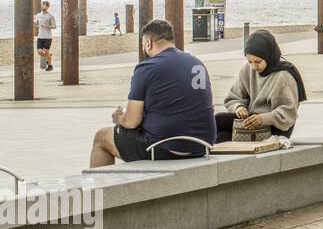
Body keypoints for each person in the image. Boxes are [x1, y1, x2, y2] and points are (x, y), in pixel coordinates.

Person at [90, 19, 216, 167]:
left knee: (102, 137)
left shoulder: (147, 67)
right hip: (202, 145)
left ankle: (101, 189)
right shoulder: (197, 62)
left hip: (165, 146)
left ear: (148, 43)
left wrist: (119, 118)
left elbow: (132, 121)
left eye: (143, 45)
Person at [216, 30, 306, 143]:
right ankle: (195, 149)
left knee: (220, 127)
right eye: (250, 61)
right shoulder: (247, 69)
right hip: (250, 121)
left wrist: (262, 119)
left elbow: (288, 113)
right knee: (219, 132)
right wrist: (239, 107)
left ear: (268, 56)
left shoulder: (284, 75)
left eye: (258, 61)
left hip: (275, 127)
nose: (254, 66)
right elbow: (233, 97)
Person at [34, 1, 57, 72]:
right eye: (41, 5)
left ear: (47, 7)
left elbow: (54, 26)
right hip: (40, 37)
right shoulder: (38, 15)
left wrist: (46, 26)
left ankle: (50, 66)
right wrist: (35, 24)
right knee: (39, 52)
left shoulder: (51, 16)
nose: (42, 7)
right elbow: (36, 24)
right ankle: (49, 55)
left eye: (43, 6)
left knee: (46, 52)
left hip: (48, 37)